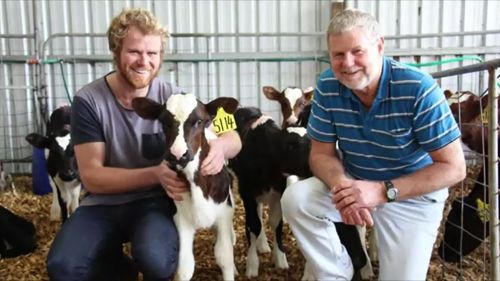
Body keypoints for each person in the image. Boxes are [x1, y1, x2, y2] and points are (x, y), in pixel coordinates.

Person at [46, 7, 242, 281]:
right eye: (135, 52)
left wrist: (221, 147)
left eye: (152, 54)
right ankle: (119, 269)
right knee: (64, 267)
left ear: (161, 57)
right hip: (102, 204)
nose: (144, 61)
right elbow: (92, 178)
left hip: (154, 204)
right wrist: (155, 174)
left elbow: (231, 134)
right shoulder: (89, 101)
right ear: (116, 51)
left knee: (157, 260)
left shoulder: (175, 98)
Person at [281, 9, 466, 280]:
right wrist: (343, 188)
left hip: (412, 196)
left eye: (357, 51)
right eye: (338, 55)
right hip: (355, 180)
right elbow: (321, 154)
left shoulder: (419, 89)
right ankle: (337, 273)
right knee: (296, 199)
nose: (348, 63)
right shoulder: (328, 86)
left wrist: (382, 192)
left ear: (379, 46)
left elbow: (455, 168)